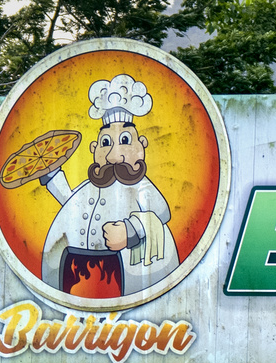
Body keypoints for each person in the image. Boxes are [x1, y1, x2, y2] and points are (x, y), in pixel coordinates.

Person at [37, 73, 180, 299]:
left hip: (124, 276)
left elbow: (161, 212)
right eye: (106, 143)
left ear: (141, 145)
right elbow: (70, 202)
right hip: (74, 273)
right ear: (94, 148)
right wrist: (51, 173)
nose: (114, 155)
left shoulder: (141, 186)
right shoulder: (88, 187)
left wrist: (130, 231)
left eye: (124, 140)